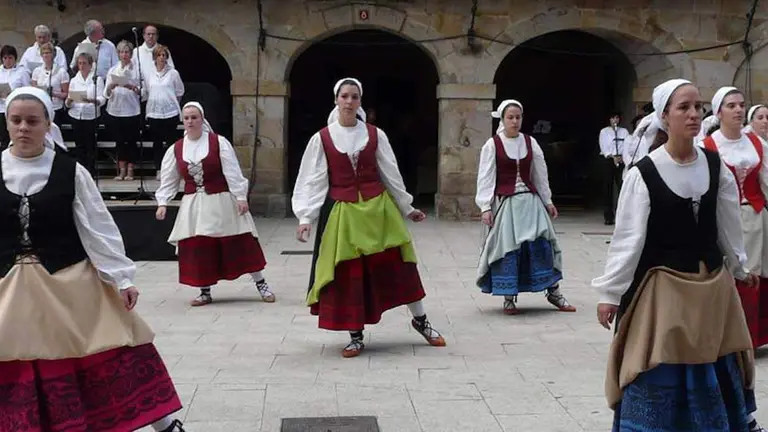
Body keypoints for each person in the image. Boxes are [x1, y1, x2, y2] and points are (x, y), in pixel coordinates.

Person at [0, 86, 185, 432]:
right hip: (8, 288)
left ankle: (165, 426)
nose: (23, 127)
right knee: (15, 359)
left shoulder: (70, 171)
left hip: (67, 282)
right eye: (16, 120)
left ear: (48, 124)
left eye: (32, 121)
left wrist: (122, 278)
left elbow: (98, 228)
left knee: (109, 347)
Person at [592, 78, 762, 431]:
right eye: (683, 107)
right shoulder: (644, 173)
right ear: (664, 116)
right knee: (662, 358)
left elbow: (727, 224)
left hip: (712, 286)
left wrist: (739, 266)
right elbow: (628, 239)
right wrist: (610, 293)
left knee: (717, 355)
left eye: (698, 106)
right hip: (664, 289)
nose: (694, 114)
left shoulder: (715, 166)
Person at [292, 77, 445, 358]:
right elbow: (312, 180)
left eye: (354, 97)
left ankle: (421, 321)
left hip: (379, 211)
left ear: (360, 101)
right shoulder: (322, 138)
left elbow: (390, 172)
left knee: (401, 266)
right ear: (336, 100)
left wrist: (407, 207)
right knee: (350, 274)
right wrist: (305, 217)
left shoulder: (375, 135)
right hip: (344, 214)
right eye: (344, 96)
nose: (349, 101)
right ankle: (355, 335)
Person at [155, 101, 275, 306]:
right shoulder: (177, 149)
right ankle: (204, 291)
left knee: (240, 242)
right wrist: (162, 202)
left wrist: (240, 197)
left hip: (221, 200)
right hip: (194, 205)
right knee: (199, 246)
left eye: (194, 117)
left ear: (202, 119)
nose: (190, 121)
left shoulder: (218, 142)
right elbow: (169, 179)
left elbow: (232, 171)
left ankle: (261, 284)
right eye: (186, 118)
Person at [475, 99, 576, 315]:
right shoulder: (493, 144)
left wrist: (547, 200)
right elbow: (486, 177)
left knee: (542, 246)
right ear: (503, 120)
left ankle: (554, 292)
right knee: (508, 249)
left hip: (531, 203)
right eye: (510, 117)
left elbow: (540, 174)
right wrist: (485, 206)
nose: (515, 121)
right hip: (508, 205)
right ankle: (508, 297)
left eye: (518, 117)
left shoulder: (530, 142)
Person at [697, 87, 768, 351]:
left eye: (741, 105)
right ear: (718, 112)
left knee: (753, 277)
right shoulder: (707, 146)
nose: (738, 110)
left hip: (754, 217)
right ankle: (723, 337)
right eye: (731, 106)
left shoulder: (756, 144)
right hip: (721, 219)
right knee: (723, 277)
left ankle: (749, 338)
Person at [104, 40, 142, 181]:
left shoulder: (137, 70)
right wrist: (111, 87)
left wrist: (132, 87)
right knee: (119, 141)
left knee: (131, 141)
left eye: (126, 52)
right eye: (121, 52)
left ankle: (130, 170)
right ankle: (121, 171)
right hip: (115, 109)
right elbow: (105, 93)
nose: (124, 55)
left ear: (131, 54)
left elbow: (143, 92)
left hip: (131, 110)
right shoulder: (113, 70)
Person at [146, 44, 184, 180]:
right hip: (154, 112)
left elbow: (179, 91)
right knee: (157, 142)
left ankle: (173, 169)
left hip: (170, 113)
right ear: (155, 58)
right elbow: (148, 90)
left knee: (171, 142)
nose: (161, 58)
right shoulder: (150, 74)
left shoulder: (173, 73)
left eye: (164, 55)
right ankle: (159, 169)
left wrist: (171, 102)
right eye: (159, 55)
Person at [65, 52, 105, 176]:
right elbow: (68, 102)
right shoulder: (74, 80)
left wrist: (94, 101)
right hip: (76, 114)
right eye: (79, 63)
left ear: (90, 65)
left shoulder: (96, 79)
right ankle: (81, 171)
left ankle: (91, 170)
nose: (81, 66)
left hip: (90, 115)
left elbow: (102, 98)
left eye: (84, 63)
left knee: (90, 144)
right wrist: (69, 101)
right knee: (79, 145)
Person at [598, 112, 629, 225]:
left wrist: (622, 157)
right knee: (607, 187)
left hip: (621, 160)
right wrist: (612, 156)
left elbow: (627, 145)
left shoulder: (624, 131)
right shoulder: (604, 132)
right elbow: (604, 146)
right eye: (613, 118)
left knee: (622, 186)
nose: (615, 120)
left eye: (617, 118)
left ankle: (623, 215)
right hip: (609, 160)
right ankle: (608, 216)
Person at [0, 45, 31, 149]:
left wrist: (14, 93)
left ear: (15, 58)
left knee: (15, 136)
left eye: (10, 58)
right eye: (5, 58)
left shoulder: (22, 72)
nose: (7, 61)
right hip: (1, 108)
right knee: (3, 137)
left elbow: (27, 89)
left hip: (16, 108)